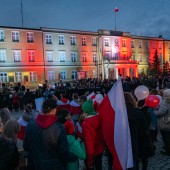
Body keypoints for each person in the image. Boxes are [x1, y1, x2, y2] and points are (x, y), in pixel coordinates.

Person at [23, 99, 76, 170]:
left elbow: (26, 146)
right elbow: (64, 153)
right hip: (56, 166)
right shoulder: (59, 128)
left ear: (42, 109)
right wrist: (74, 156)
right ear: (54, 110)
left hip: (36, 164)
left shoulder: (30, 125)